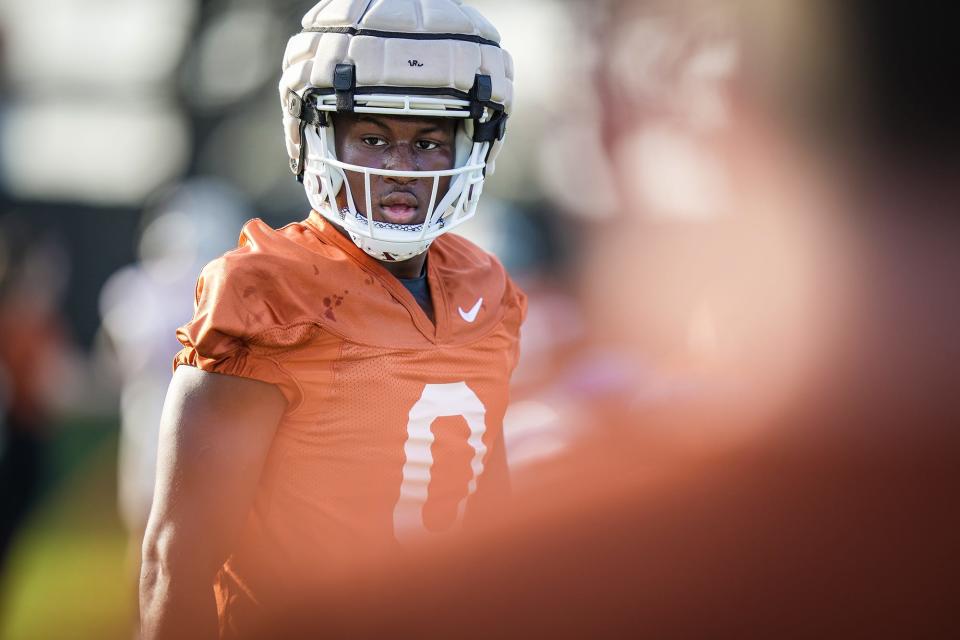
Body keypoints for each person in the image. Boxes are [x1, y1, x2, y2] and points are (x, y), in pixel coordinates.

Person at [139, 1, 523, 639]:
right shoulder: (266, 293)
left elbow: (494, 517)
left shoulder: (487, 289)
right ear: (313, 135)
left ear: (471, 143)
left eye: (429, 141)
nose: (401, 167)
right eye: (372, 138)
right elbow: (175, 560)